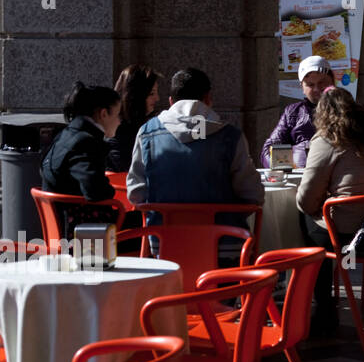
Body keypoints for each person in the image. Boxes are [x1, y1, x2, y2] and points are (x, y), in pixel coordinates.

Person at [296, 87, 364, 337]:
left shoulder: (327, 140)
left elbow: (305, 199)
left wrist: (322, 204)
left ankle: (323, 307)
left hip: (347, 233)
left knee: (305, 225)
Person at [126, 67, 264, 223]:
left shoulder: (147, 134)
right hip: (225, 241)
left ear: (171, 102)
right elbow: (253, 195)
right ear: (208, 99)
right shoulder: (231, 137)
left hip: (163, 241)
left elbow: (136, 194)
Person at [40, 82, 122, 237]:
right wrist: (111, 191)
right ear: (103, 114)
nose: (119, 121)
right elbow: (95, 191)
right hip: (85, 236)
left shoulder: (64, 135)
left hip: (67, 228)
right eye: (117, 115)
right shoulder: (85, 142)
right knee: (152, 222)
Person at [260, 55, 334, 168]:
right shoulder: (293, 113)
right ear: (302, 88)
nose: (316, 89)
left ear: (332, 81)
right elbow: (269, 150)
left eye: (321, 82)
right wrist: (285, 166)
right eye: (310, 84)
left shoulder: (347, 110)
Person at [106, 64, 161, 172]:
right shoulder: (118, 130)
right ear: (136, 95)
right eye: (151, 93)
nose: (157, 98)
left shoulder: (145, 123)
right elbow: (130, 170)